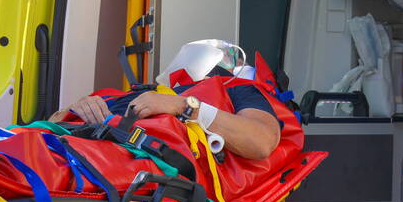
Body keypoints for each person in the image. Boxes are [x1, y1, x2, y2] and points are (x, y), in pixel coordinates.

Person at [50, 71, 282, 161]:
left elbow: (261, 141)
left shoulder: (239, 89)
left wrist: (184, 106)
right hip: (66, 143)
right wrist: (77, 108)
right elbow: (52, 122)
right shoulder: (152, 92)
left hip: (99, 159)